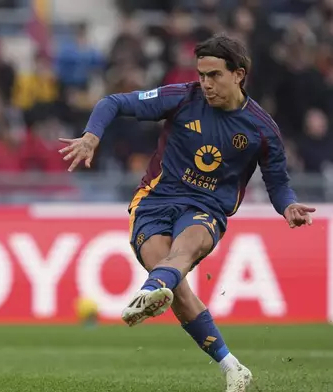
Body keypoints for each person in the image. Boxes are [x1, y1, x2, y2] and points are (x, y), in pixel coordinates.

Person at [58, 33, 315, 392]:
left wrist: (288, 206)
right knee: (175, 288)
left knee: (183, 251)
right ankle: (233, 368)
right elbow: (112, 102)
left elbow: (278, 183)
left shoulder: (262, 129)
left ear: (239, 74)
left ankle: (151, 288)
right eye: (201, 75)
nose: (205, 84)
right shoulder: (181, 98)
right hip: (153, 202)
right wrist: (90, 136)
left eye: (214, 75)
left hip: (206, 208)